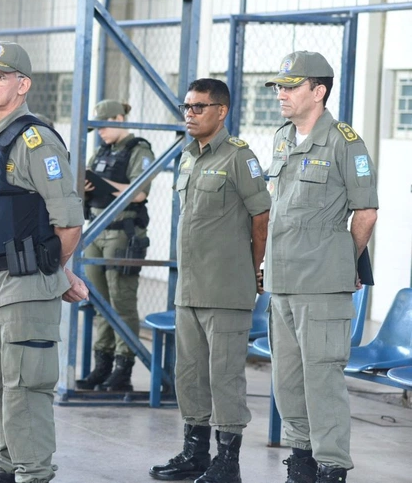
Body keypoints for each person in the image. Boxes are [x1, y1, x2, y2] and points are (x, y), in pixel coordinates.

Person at [0, 41, 88, 483]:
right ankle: (2, 471)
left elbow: (68, 222)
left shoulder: (35, 140)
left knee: (25, 393)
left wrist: (56, 269)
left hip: (24, 289)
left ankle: (32, 474)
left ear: (23, 84)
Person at [263, 51, 378, 483]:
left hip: (322, 284)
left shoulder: (345, 143)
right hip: (282, 281)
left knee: (322, 381)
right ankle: (302, 460)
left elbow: (365, 212)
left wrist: (342, 263)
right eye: (278, 86)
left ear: (319, 91)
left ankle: (331, 466)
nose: (281, 94)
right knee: (287, 380)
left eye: (290, 87)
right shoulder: (282, 137)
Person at [149, 78, 270, 483]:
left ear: (222, 111)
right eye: (187, 107)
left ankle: (227, 462)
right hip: (190, 289)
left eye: (199, 107)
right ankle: (195, 453)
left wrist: (252, 270)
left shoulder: (239, 157)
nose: (190, 113)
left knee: (225, 378)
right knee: (190, 376)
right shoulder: (188, 156)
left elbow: (261, 218)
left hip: (227, 290)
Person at [76, 99, 155, 392]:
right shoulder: (102, 152)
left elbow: (139, 193)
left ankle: (123, 369)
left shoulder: (139, 150)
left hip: (122, 233)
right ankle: (103, 366)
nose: (100, 133)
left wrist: (103, 182)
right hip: (95, 231)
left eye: (105, 125)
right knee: (99, 302)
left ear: (120, 118)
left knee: (121, 303)